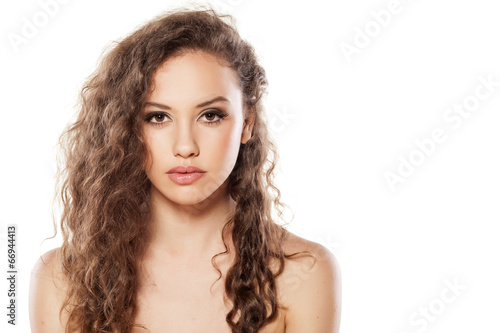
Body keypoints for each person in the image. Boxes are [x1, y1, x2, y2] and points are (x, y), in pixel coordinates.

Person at [29, 5, 341, 333]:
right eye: (158, 117)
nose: (185, 146)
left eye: (210, 115)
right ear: (128, 128)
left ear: (247, 122)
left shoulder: (304, 273)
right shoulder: (62, 280)